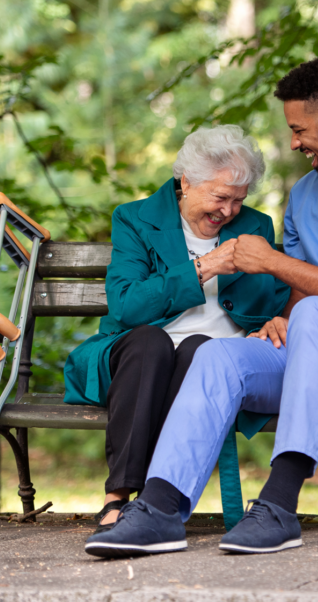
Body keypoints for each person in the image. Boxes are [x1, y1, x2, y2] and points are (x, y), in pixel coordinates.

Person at [84, 55, 318, 558]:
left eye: (299, 130)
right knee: (217, 354)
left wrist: (275, 265)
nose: (295, 143)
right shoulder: (305, 196)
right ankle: (160, 508)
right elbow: (300, 295)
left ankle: (279, 503)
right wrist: (282, 319)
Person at [63, 125, 289, 535]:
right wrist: (205, 267)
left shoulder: (256, 226)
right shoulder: (135, 219)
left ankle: (154, 502)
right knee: (153, 343)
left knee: (200, 349)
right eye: (220, 197)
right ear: (186, 183)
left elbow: (276, 296)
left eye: (238, 200)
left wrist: (278, 317)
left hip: (212, 362)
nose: (229, 211)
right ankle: (118, 496)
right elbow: (128, 306)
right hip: (134, 358)